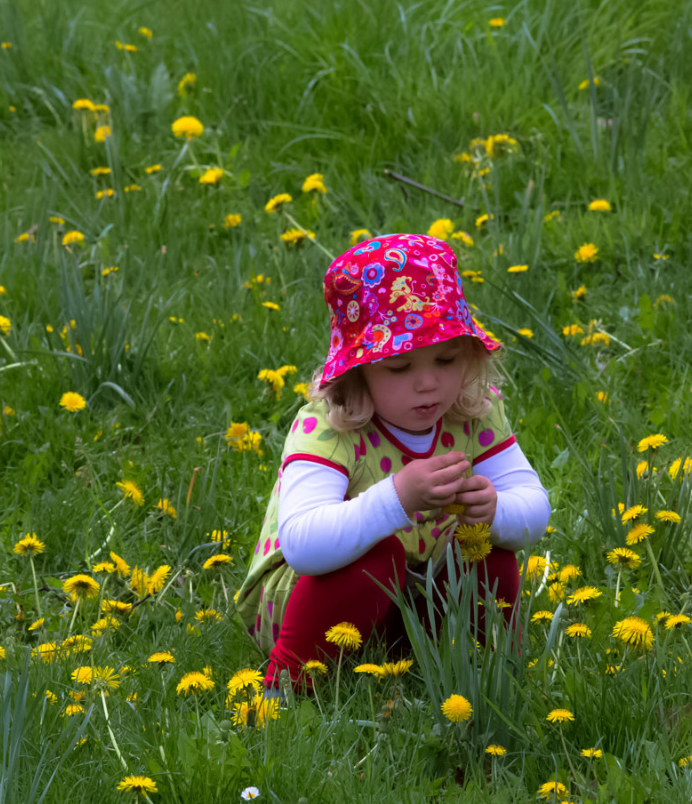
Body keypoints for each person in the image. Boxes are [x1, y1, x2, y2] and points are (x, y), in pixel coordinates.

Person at [233, 232, 551, 694]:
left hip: (412, 592)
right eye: (399, 367)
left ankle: (489, 668)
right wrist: (396, 500)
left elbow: (534, 507)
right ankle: (288, 684)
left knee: (484, 543)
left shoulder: (472, 408)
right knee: (376, 558)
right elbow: (302, 543)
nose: (428, 384)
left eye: (445, 359)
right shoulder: (331, 427)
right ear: (355, 371)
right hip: (308, 599)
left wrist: (495, 510)